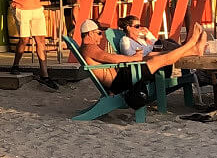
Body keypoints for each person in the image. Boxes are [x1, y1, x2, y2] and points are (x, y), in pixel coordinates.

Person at [78, 16, 206, 108]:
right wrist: (133, 58)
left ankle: (193, 50)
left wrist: (135, 57)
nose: (101, 36)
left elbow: (109, 61)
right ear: (89, 34)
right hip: (124, 80)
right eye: (99, 33)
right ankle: (191, 44)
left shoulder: (88, 49)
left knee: (153, 55)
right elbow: (113, 59)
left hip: (123, 76)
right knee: (158, 59)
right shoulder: (89, 48)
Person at [2, 0, 55, 88]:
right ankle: (16, 64)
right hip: (20, 6)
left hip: (36, 6)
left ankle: (44, 74)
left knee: (40, 41)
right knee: (24, 39)